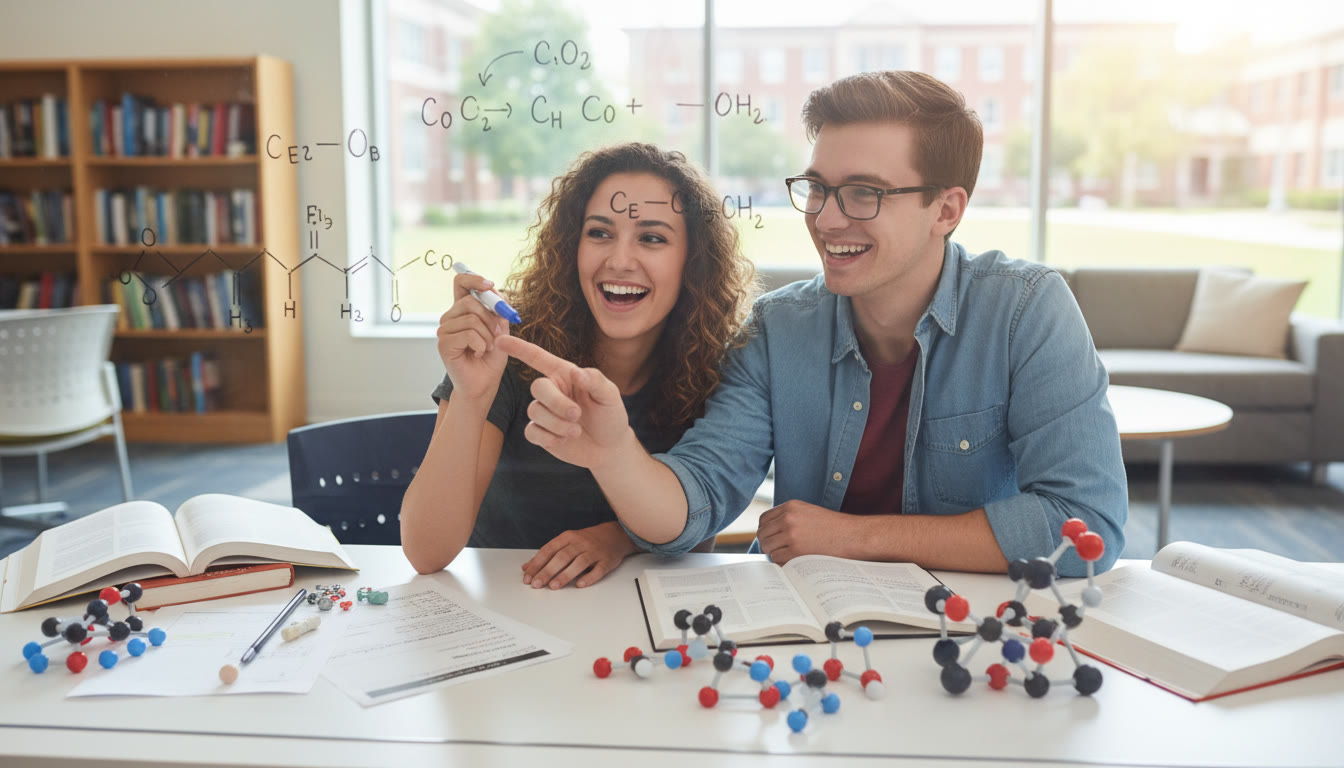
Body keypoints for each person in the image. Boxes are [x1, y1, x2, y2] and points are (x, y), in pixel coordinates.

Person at [498, 70, 1128, 578]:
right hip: (812, 638)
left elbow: (1085, 526)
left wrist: (858, 537)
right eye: (819, 188)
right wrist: (614, 454)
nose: (827, 220)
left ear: (947, 208)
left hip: (976, 636)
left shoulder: (1026, 310)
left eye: (864, 193)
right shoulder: (778, 329)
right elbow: (693, 505)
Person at [400, 142, 755, 588]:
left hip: (638, 614)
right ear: (572, 246)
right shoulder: (508, 349)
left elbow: (698, 524)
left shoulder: (722, 368)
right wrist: (471, 396)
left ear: (693, 261)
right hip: (508, 606)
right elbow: (425, 552)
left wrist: (620, 538)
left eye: (652, 238)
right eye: (599, 233)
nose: (620, 261)